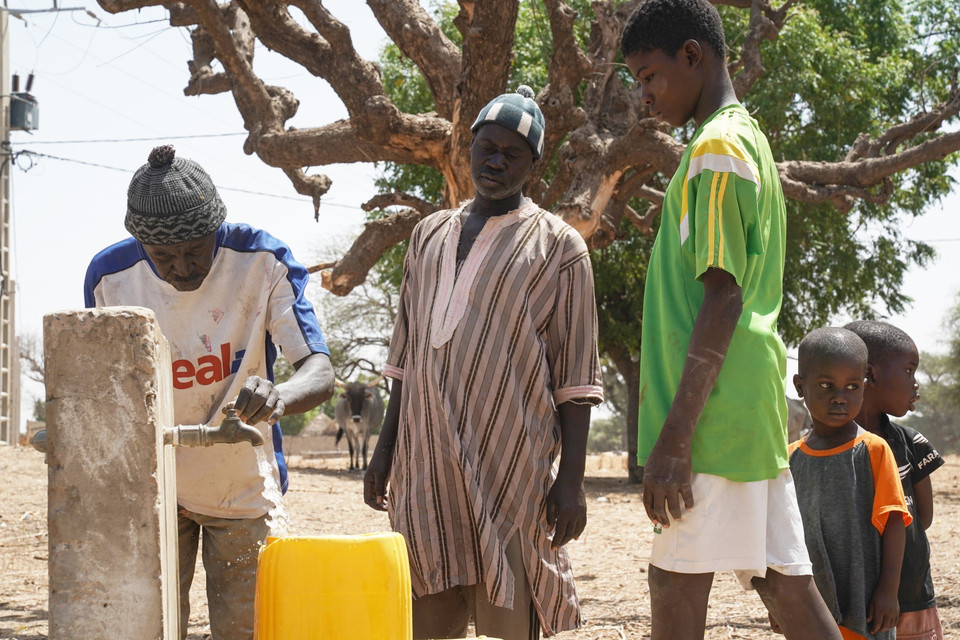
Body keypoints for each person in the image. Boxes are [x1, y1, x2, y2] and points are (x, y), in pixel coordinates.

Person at [620, 1, 842, 638]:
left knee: (673, 583)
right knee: (785, 587)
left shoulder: (716, 147)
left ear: (692, 55)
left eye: (649, 76)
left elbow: (723, 297)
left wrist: (675, 436)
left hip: (713, 417)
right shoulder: (742, 138)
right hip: (747, 408)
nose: (645, 95)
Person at [363, 86, 603, 640]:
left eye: (512, 154)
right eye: (486, 148)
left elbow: (576, 381)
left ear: (533, 165)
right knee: (427, 608)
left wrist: (571, 482)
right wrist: (384, 451)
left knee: (511, 618)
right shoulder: (427, 235)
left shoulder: (560, 247)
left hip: (510, 460)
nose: (495, 161)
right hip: (425, 462)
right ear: (466, 147)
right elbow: (405, 356)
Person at [84, 145, 335, 640]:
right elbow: (101, 389)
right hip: (150, 489)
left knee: (248, 629)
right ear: (139, 243)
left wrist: (280, 395)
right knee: (146, 629)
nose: (180, 268)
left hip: (240, 485)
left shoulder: (262, 261)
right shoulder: (110, 279)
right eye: (162, 257)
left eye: (194, 251)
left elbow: (319, 369)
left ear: (216, 229)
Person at [788, 327, 911, 639]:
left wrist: (888, 590)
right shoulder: (789, 459)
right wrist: (784, 601)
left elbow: (895, 521)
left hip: (865, 602)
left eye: (852, 386)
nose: (839, 397)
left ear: (864, 387)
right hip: (809, 600)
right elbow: (783, 535)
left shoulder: (873, 450)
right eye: (826, 385)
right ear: (800, 386)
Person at [845, 320, 945, 639]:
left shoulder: (912, 444)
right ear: (871, 375)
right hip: (849, 602)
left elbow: (922, 521)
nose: (915, 383)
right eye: (908, 370)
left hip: (910, 598)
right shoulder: (825, 450)